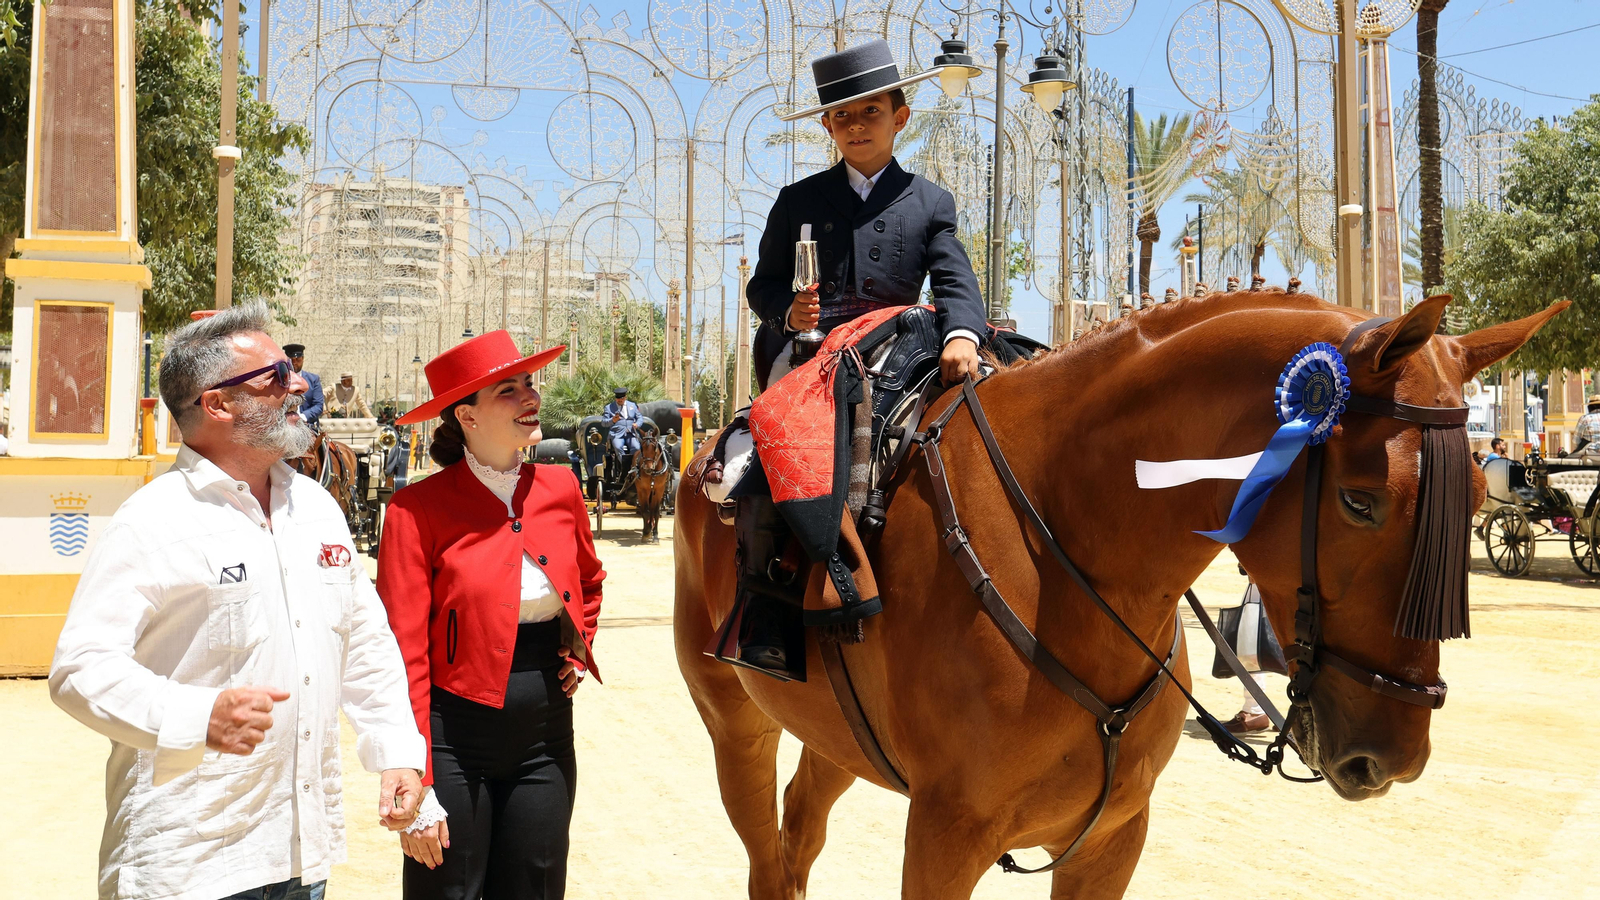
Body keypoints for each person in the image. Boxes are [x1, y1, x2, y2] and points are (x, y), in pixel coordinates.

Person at [49, 301, 426, 900]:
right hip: (189, 863)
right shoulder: (153, 521)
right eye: (275, 376)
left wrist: (397, 751)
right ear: (218, 404)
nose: (298, 383)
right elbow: (78, 670)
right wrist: (197, 717)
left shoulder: (316, 509)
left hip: (299, 852)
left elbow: (363, 642)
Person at [379, 330, 605, 900]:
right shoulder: (415, 510)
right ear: (467, 416)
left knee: (536, 885)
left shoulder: (561, 487)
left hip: (546, 738)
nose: (530, 397)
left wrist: (580, 646)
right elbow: (402, 651)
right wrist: (419, 775)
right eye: (508, 389)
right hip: (454, 740)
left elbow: (590, 579)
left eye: (529, 383)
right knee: (447, 892)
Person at [747, 38, 985, 390]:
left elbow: (954, 280)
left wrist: (962, 335)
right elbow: (763, 283)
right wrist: (788, 311)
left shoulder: (930, 202)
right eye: (841, 114)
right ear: (828, 125)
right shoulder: (795, 200)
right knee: (766, 433)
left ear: (900, 119)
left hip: (900, 350)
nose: (855, 124)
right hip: (808, 353)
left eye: (871, 110)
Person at [603, 387, 643, 478]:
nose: (620, 400)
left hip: (631, 433)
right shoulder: (609, 408)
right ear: (615, 398)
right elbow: (604, 423)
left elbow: (640, 418)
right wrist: (612, 420)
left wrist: (637, 424)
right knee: (618, 447)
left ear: (625, 397)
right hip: (617, 434)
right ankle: (625, 467)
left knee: (636, 447)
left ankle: (634, 466)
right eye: (618, 399)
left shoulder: (632, 405)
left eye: (622, 399)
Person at [282, 343, 324, 428]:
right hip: (285, 427)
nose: (295, 363)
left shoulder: (313, 380)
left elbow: (318, 405)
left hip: (308, 426)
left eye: (298, 360)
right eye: (291, 360)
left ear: (303, 359)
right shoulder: (280, 380)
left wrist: (303, 417)